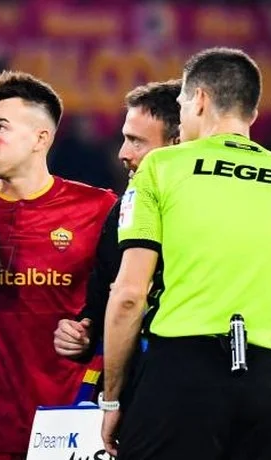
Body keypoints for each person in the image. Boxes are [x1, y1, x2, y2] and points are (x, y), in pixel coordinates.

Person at [100, 47, 271, 460]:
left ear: (199, 100)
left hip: (182, 373)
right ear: (250, 109)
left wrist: (112, 399)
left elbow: (128, 296)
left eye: (181, 106)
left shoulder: (161, 168)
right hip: (269, 383)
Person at [0, 70, 117, 460]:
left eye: (0, 127)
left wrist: (90, 331)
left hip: (70, 425)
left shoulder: (98, 208)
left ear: (41, 138)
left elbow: (129, 299)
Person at [53, 81, 181, 405]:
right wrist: (82, 332)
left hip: (179, 389)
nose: (123, 153)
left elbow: (127, 300)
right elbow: (99, 303)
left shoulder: (206, 217)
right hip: (131, 394)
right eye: (124, 138)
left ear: (177, 144)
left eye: (136, 142)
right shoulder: (122, 212)